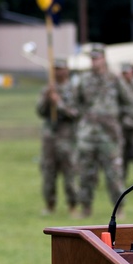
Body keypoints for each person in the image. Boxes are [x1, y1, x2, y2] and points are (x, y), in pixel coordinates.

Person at [73, 45, 133, 218]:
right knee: (86, 173)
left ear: (104, 58)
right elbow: (76, 102)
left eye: (97, 58)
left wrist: (116, 119)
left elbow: (128, 101)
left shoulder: (114, 79)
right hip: (88, 134)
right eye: (92, 58)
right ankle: (85, 208)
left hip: (109, 135)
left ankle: (119, 209)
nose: (94, 61)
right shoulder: (83, 80)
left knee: (113, 175)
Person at [37, 59, 80, 216]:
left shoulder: (74, 89)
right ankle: (49, 203)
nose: (58, 72)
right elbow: (40, 112)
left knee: (70, 171)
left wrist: (59, 103)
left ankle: (73, 205)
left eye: (61, 69)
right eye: (55, 69)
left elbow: (75, 113)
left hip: (67, 136)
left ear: (67, 70)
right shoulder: (49, 89)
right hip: (50, 136)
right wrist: (47, 99)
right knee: (48, 171)